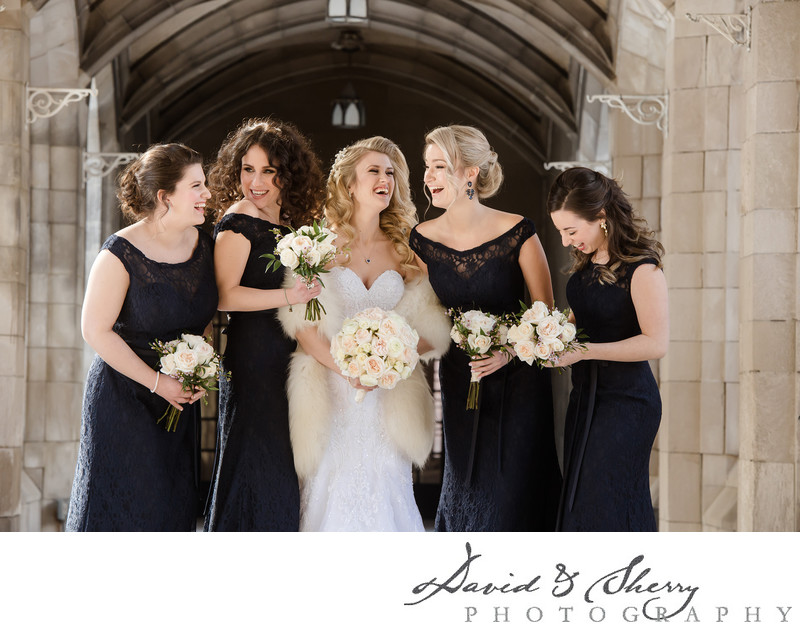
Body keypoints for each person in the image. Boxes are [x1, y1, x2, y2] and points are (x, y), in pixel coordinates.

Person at [277, 136, 451, 531]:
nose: (384, 179)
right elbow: (302, 325)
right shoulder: (317, 246)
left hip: (388, 394)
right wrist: (347, 368)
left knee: (387, 487)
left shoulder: (408, 249)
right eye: (373, 170)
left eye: (390, 172)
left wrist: (392, 358)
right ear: (349, 184)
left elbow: (430, 326)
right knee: (328, 488)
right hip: (331, 391)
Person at [409, 125, 561, 531]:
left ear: (470, 173)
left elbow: (547, 316)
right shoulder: (421, 240)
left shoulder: (519, 231)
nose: (428, 177)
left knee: (516, 488)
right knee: (467, 483)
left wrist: (507, 353)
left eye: (440, 167)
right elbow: (427, 314)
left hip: (520, 382)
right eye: (427, 167)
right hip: (462, 379)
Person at [66, 143, 218, 531]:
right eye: (197, 186)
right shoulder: (119, 253)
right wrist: (157, 382)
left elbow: (201, 319)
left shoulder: (208, 248)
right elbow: (94, 330)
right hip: (123, 401)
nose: (207, 195)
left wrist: (196, 369)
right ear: (165, 197)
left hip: (177, 404)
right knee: (122, 509)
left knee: (169, 509)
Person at [202, 118, 324, 531]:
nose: (256, 182)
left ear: (287, 174)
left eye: (268, 171)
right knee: (255, 456)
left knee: (283, 461)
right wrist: (291, 296)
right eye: (247, 170)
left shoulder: (290, 226)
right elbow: (225, 296)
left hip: (288, 358)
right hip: (253, 358)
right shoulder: (240, 216)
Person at [546, 166, 668, 531]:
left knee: (609, 501)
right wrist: (549, 334)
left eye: (571, 230)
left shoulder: (643, 270)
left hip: (628, 403)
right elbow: (588, 314)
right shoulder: (587, 264)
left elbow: (656, 343)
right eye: (561, 232)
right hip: (585, 398)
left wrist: (585, 351)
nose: (567, 241)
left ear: (600, 217)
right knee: (581, 501)